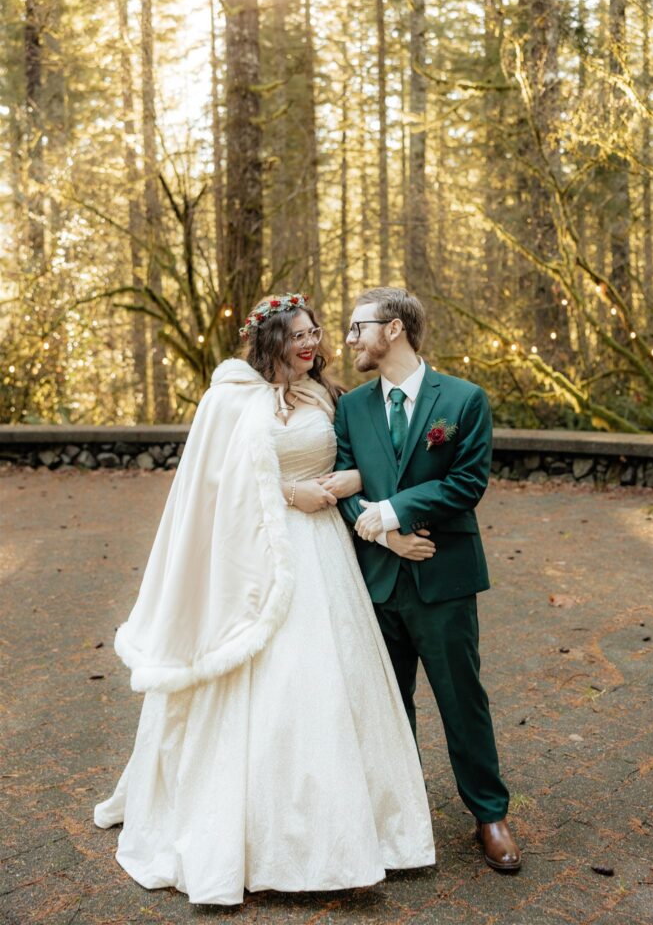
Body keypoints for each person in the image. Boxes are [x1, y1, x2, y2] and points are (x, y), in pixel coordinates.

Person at [94, 292, 434, 907]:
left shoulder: (330, 397)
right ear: (271, 339)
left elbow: (367, 463)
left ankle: (351, 830)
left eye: (315, 332)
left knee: (328, 681)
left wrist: (348, 481)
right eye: (298, 335)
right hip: (258, 554)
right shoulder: (229, 398)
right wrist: (286, 493)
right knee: (261, 679)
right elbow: (215, 480)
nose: (311, 343)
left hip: (326, 556)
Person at [334, 287, 521, 872]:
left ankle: (489, 815)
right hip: (377, 580)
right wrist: (383, 532)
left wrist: (394, 511)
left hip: (444, 577)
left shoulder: (464, 400)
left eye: (357, 327)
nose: (349, 340)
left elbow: (467, 483)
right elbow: (344, 481)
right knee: (390, 705)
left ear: (392, 329)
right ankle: (401, 818)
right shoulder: (351, 407)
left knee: (462, 701)